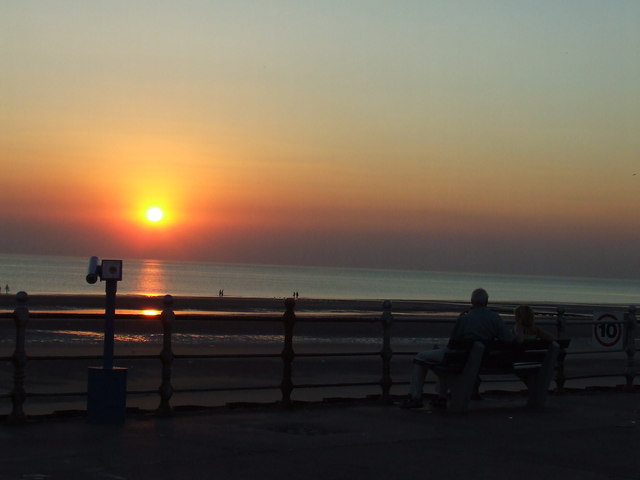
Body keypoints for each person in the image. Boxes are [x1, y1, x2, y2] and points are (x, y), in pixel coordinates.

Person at [400, 288, 513, 409]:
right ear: (487, 301)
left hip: (459, 359)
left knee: (421, 357)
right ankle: (440, 397)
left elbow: (452, 343)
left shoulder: (465, 319)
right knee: (445, 364)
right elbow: (508, 339)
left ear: (472, 301)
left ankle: (415, 397)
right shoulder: (495, 318)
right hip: (481, 361)